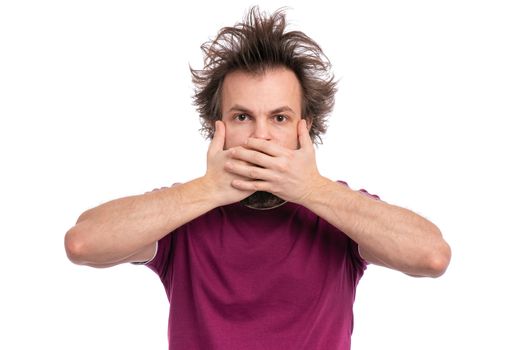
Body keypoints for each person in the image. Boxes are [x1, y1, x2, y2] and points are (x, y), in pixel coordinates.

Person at [65, 6, 451, 349]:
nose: (260, 136)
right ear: (219, 129)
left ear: (305, 127)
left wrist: (312, 189)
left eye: (279, 118)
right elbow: (83, 244)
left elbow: (432, 256)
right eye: (242, 117)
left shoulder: (336, 210)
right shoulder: (185, 211)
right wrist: (207, 190)